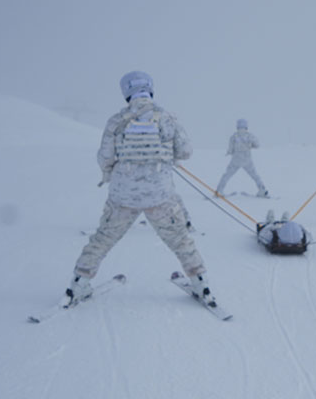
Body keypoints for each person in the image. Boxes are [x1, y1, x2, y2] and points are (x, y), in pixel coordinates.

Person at [67, 71, 222, 311]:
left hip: (122, 195)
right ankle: (201, 285)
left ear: (126, 92)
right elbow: (186, 151)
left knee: (102, 239)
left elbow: (105, 157)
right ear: (150, 89)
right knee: (180, 239)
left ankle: (79, 285)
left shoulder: (116, 121)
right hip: (160, 194)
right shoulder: (166, 118)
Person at [215, 118, 269, 198]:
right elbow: (257, 145)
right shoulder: (250, 136)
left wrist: (230, 152)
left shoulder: (234, 136)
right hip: (247, 159)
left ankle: (219, 190)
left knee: (227, 175)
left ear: (237, 126)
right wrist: (250, 146)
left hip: (236, 160)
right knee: (255, 175)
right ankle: (262, 190)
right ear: (246, 126)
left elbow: (230, 149)